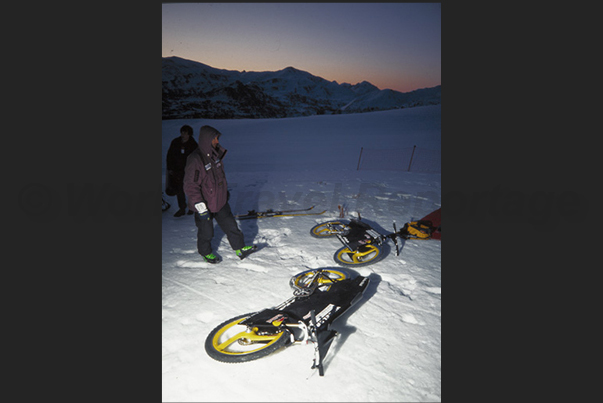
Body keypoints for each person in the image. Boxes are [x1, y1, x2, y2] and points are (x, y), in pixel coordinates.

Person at [183, 125, 257, 263]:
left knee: (231, 226)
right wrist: (199, 205)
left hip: (220, 201)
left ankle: (240, 248)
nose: (217, 141)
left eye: (217, 138)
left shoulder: (215, 155)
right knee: (206, 232)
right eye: (215, 138)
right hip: (204, 205)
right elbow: (190, 185)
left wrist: (224, 193)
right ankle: (205, 253)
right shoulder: (196, 159)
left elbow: (219, 178)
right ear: (207, 139)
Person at [166, 125, 198, 217]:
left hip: (189, 171)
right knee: (179, 189)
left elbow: (197, 158)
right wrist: (170, 168)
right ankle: (182, 208)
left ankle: (192, 207)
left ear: (189, 134)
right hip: (177, 170)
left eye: (185, 133)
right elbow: (169, 156)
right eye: (182, 132)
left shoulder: (193, 144)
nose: (183, 134)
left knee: (190, 189)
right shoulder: (175, 142)